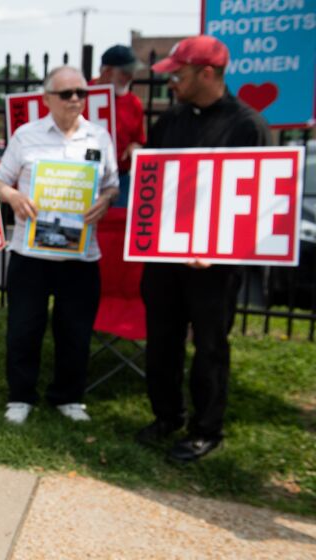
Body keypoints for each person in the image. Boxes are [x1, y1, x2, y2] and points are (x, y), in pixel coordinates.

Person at [136, 35, 269, 463]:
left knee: (210, 345)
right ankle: (167, 415)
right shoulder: (170, 121)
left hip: (214, 265)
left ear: (206, 73)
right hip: (164, 258)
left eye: (179, 73)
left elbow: (261, 201)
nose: (172, 81)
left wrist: (222, 249)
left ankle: (205, 429)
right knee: (161, 339)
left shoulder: (248, 126)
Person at [0, 66, 119, 425]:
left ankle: (69, 396)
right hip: (31, 254)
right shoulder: (26, 136)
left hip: (80, 255)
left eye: (81, 92)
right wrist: (14, 196)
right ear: (47, 99)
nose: (75, 99)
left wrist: (106, 199)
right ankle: (20, 396)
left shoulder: (99, 137)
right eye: (66, 94)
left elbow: (111, 184)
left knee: (75, 329)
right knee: (23, 327)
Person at [92, 45, 146, 207]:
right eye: (125, 72)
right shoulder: (80, 95)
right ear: (107, 71)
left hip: (120, 178)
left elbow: (138, 139)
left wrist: (134, 147)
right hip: (84, 176)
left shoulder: (134, 103)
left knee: (118, 228)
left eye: (131, 72)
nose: (130, 77)